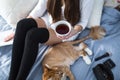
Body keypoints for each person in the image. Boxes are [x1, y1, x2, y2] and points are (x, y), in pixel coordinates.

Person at [8, 0, 94, 80]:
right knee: (22, 24)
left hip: (67, 29)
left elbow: (83, 21)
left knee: (32, 35)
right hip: (50, 20)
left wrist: (73, 31)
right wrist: (18, 32)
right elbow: (38, 9)